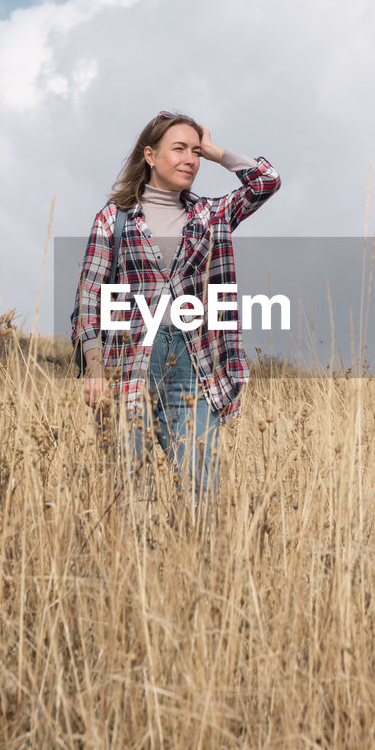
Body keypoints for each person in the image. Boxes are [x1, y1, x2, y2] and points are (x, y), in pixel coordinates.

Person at [71, 112, 280, 502]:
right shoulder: (113, 219)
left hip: (191, 359)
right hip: (129, 362)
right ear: (149, 155)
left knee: (204, 488)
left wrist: (217, 151)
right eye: (179, 149)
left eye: (195, 152)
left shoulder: (210, 216)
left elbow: (266, 181)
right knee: (132, 492)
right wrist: (95, 368)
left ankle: (201, 561)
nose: (190, 160)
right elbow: (89, 298)